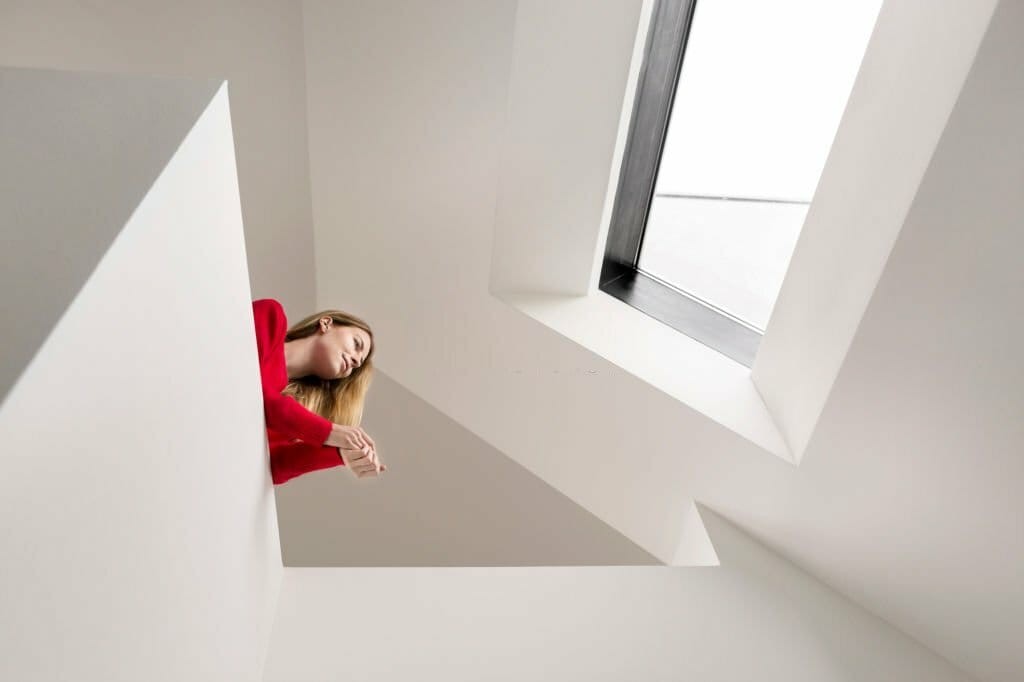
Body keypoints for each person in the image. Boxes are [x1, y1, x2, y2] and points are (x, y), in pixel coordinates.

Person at [252, 298, 386, 485]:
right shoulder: (271, 317)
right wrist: (332, 432)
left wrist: (341, 453)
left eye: (357, 365)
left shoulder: (290, 424)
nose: (355, 361)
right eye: (357, 344)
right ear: (326, 323)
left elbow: (273, 467)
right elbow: (251, 389)